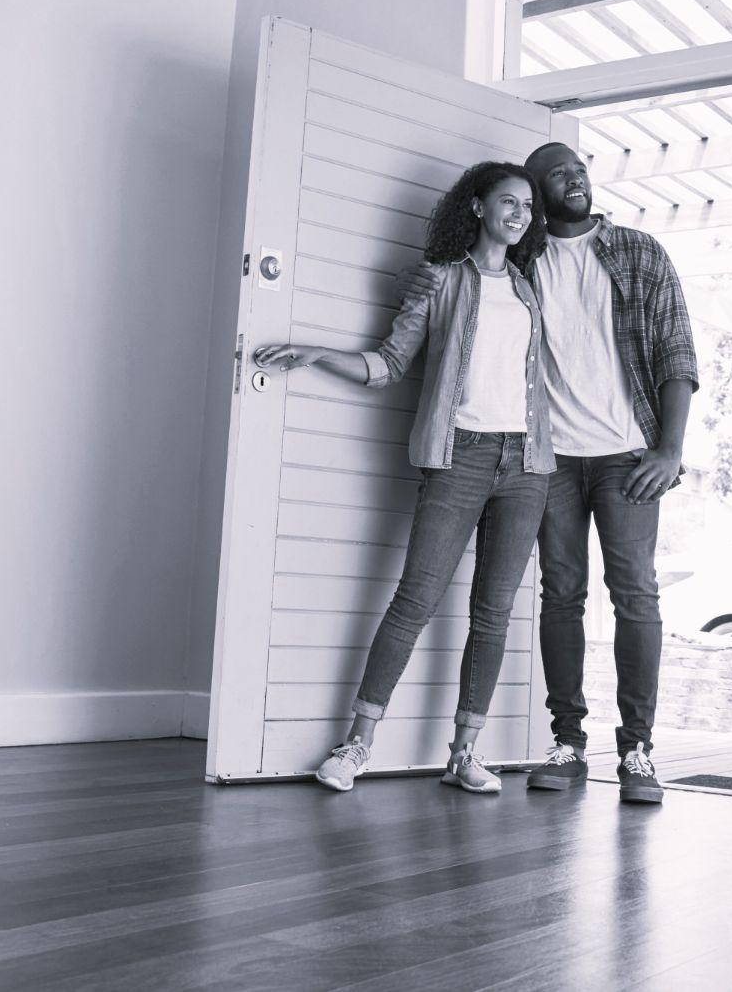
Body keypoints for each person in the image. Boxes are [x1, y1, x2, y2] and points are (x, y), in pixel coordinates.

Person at [400, 140, 697, 804]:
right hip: (548, 457)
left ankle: (638, 749)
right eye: (558, 173)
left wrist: (670, 449)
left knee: (636, 593)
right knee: (561, 594)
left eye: (580, 169)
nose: (575, 178)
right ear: (534, 196)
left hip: (628, 454)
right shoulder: (523, 262)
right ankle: (568, 743)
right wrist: (426, 285)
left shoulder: (638, 252)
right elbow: (467, 292)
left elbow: (676, 350)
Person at [254, 161, 554, 795]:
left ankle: (464, 754)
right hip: (460, 454)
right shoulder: (439, 280)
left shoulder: (532, 290)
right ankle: (357, 744)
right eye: (508, 201)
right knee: (414, 601)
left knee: (494, 612)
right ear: (477, 207)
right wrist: (318, 354)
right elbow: (390, 364)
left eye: (528, 205)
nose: (521, 213)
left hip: (527, 464)